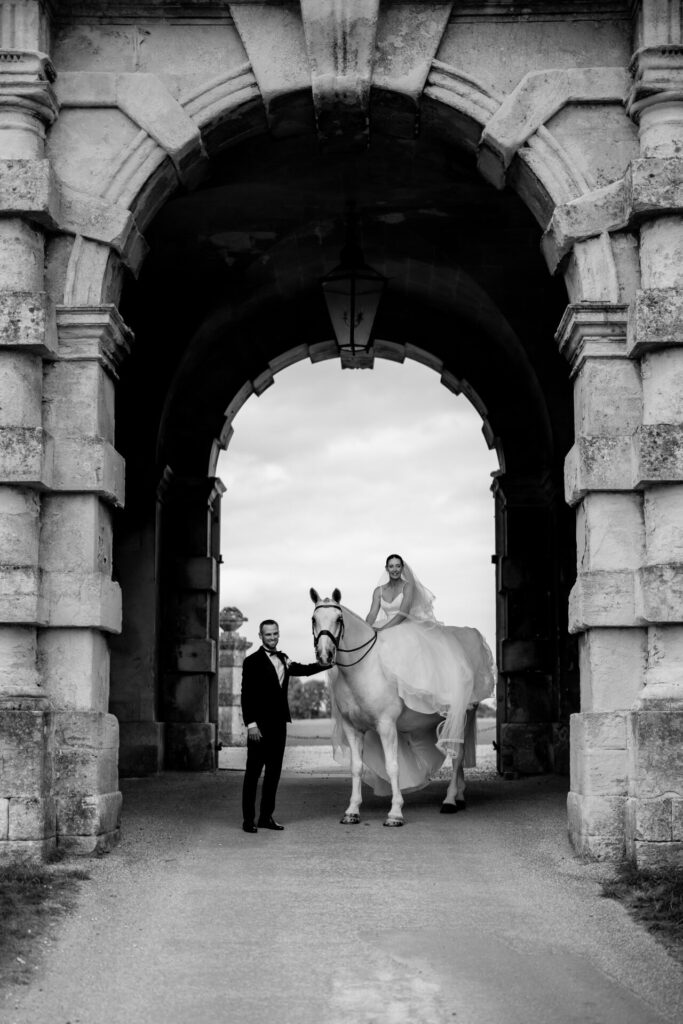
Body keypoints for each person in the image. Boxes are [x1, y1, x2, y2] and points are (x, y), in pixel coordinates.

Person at [365, 553, 495, 760]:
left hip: (403, 626)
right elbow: (372, 613)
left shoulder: (408, 587)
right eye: (391, 566)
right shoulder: (378, 591)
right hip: (383, 628)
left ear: (402, 568)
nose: (395, 569)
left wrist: (383, 630)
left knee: (411, 652)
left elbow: (402, 613)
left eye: (398, 566)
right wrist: (368, 628)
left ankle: (421, 697)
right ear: (386, 568)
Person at [240, 618, 322, 834]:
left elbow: (303, 670)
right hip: (258, 727)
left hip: (279, 726)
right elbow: (246, 696)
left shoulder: (284, 659)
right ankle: (248, 820)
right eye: (268, 634)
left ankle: (266, 817)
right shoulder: (251, 662)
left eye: (275, 633)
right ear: (261, 636)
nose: (273, 637)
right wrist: (251, 724)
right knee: (252, 774)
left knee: (274, 774)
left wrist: (326, 663)